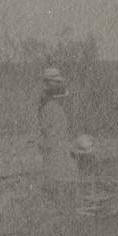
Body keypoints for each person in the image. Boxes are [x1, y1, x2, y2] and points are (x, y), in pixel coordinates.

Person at [36, 66, 78, 201]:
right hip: (53, 143)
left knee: (60, 169)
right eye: (54, 81)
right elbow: (47, 128)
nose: (57, 84)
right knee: (55, 170)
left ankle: (58, 196)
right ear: (48, 82)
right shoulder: (48, 103)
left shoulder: (53, 103)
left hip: (57, 142)